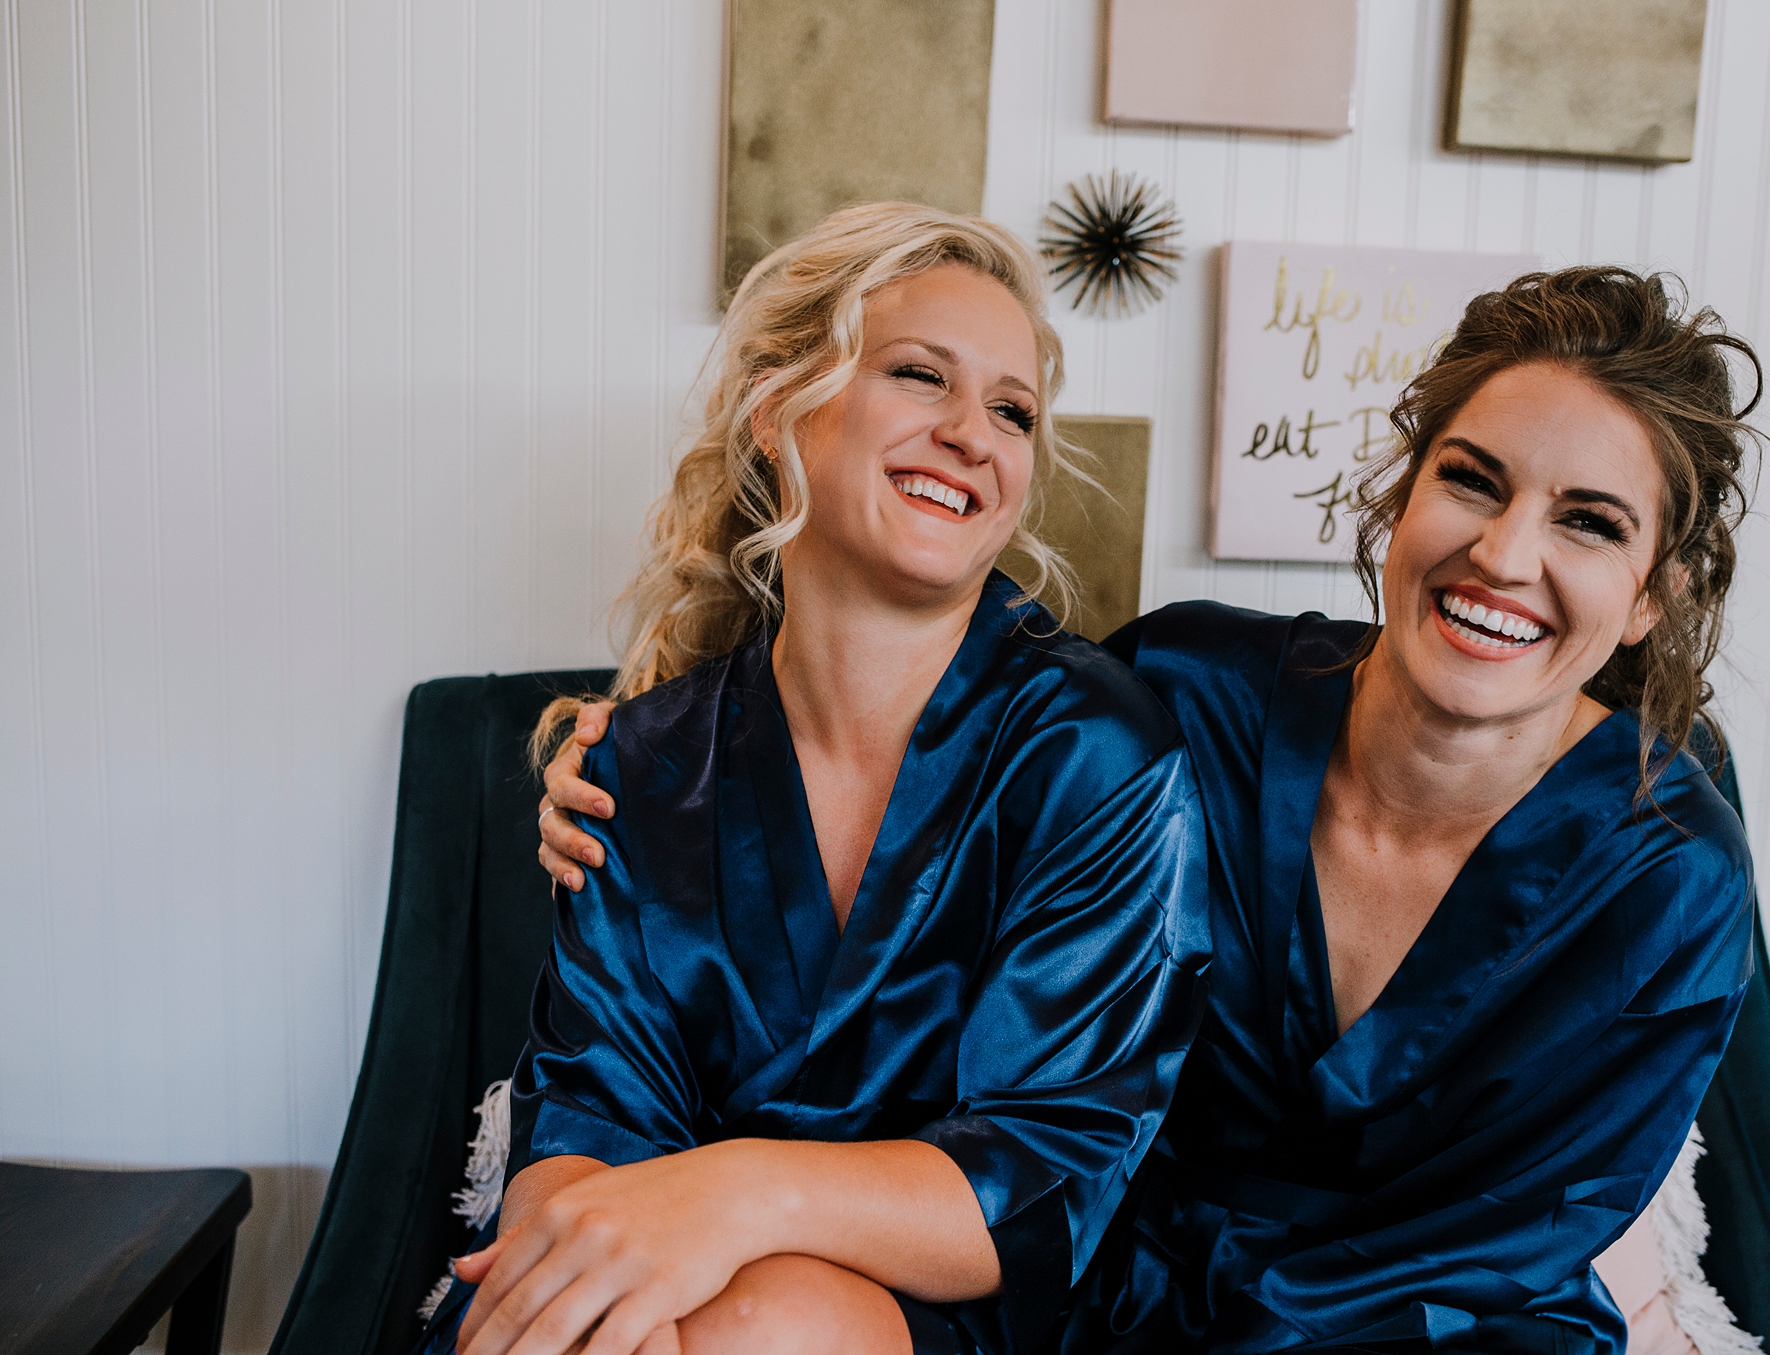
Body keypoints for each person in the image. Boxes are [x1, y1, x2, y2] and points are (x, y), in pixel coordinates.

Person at [540, 266, 1765, 1353]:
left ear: (1650, 597)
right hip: (1104, 1303)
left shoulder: (1668, 879)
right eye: (1470, 480)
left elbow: (1502, 1243)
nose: (1502, 553)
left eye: (1588, 523)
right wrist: (640, 759)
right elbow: (925, 764)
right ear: (1401, 495)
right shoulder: (1182, 690)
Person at [444, 203, 1210, 1355]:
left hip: (961, 1306)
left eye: (1011, 410)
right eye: (921, 375)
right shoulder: (640, 764)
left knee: (771, 1321)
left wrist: (739, 1193)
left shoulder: (1093, 752)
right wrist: (601, 1298)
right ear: (779, 409)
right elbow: (586, 1114)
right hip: (667, 1286)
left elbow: (1042, 1171)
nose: (973, 432)